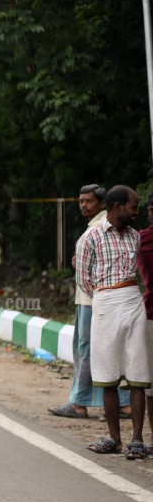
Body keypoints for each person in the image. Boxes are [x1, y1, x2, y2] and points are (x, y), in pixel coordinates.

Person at [78, 185, 149, 459]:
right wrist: (106, 298)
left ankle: (137, 440)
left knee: (138, 374)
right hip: (105, 304)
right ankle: (114, 438)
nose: (137, 211)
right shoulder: (90, 238)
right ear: (118, 206)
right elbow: (83, 280)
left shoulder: (135, 237)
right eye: (133, 207)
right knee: (107, 376)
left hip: (133, 302)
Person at [49, 184, 131, 419]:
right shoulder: (107, 226)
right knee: (107, 349)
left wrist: (80, 265)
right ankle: (122, 403)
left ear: (103, 204)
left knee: (87, 349)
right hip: (101, 298)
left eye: (89, 201)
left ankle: (80, 402)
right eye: (81, 201)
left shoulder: (100, 228)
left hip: (92, 299)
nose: (83, 205)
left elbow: (102, 265)